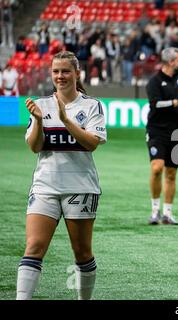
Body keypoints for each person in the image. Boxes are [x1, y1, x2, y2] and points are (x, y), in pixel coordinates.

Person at [17, 51, 107, 300]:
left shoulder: (92, 106)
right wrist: (37, 121)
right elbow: (35, 147)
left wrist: (66, 119)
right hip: (45, 185)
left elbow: (91, 144)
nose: (60, 76)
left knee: (81, 252)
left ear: (77, 74)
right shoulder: (41, 105)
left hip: (80, 187)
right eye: (56, 71)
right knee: (34, 247)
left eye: (66, 71)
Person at [145, 47, 178, 225]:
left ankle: (167, 213)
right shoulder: (154, 81)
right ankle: (154, 211)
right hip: (157, 131)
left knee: (171, 173)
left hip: (177, 131)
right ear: (170, 62)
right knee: (156, 168)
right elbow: (155, 105)